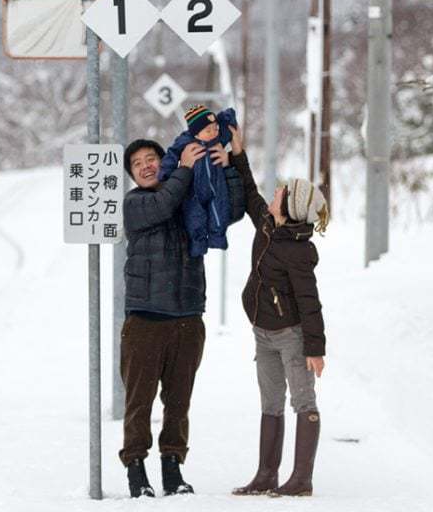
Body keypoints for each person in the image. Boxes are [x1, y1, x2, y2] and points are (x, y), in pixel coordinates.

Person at [119, 137, 245, 498]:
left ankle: (173, 468)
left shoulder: (187, 196)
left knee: (178, 402)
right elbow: (163, 204)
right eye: (137, 163)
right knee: (139, 401)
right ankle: (135, 470)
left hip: (188, 318)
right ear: (131, 174)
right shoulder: (136, 203)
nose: (145, 166)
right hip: (145, 319)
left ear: (164, 162)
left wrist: (228, 166)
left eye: (151, 159)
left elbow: (230, 210)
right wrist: (186, 169)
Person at [227, 126, 329, 498]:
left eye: (281, 193)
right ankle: (266, 475)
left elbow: (310, 302)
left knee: (303, 400)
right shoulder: (268, 225)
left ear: (289, 208)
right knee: (269, 402)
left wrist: (314, 349)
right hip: (262, 331)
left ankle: (301, 479)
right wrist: (239, 153)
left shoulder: (299, 251)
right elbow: (251, 191)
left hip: (291, 335)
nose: (274, 194)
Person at [158, 105, 238, 257]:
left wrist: (227, 116)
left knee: (220, 213)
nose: (213, 132)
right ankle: (198, 244)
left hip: (217, 188)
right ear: (196, 132)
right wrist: (165, 172)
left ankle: (217, 238)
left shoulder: (217, 141)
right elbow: (171, 155)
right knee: (195, 217)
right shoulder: (185, 142)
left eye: (215, 128)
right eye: (208, 130)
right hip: (193, 191)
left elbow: (227, 131)